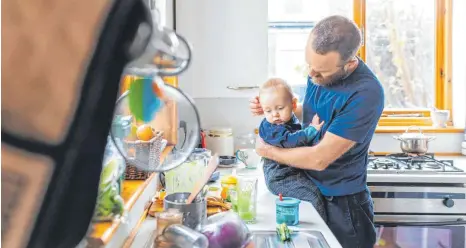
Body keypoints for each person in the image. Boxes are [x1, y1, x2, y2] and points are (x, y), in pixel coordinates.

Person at [250, 15, 384, 248]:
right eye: (309, 65)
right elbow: (314, 113)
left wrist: (267, 151)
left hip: (343, 206)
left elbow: (319, 158)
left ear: (349, 64)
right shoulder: (320, 69)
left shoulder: (366, 93)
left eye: (320, 71)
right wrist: (278, 110)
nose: (312, 75)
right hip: (308, 186)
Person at [257, 78, 327, 222]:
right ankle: (322, 225)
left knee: (314, 193)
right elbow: (291, 141)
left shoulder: (288, 118)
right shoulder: (272, 128)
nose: (274, 114)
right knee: (313, 196)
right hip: (280, 177)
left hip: (291, 172)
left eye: (280, 108)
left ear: (293, 104)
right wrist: (311, 130)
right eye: (268, 110)